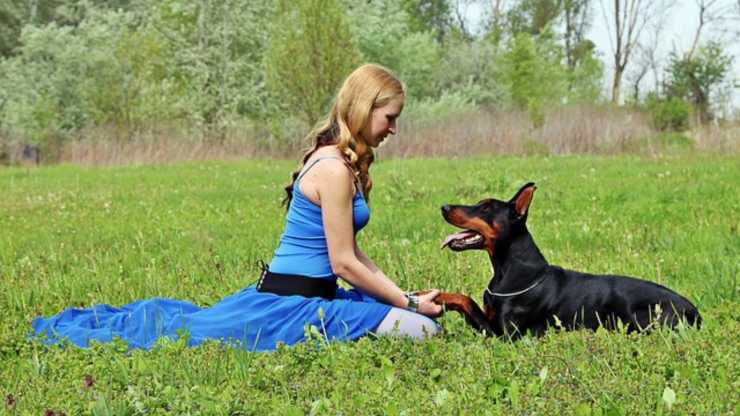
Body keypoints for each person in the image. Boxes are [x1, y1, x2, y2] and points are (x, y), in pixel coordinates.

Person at [33, 63, 442, 352]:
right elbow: (343, 263)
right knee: (423, 330)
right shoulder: (334, 168)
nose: (393, 129)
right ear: (363, 107)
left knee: (422, 323)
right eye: (390, 117)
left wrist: (400, 296)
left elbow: (351, 254)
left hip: (320, 296)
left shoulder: (340, 160)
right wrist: (406, 304)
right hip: (292, 304)